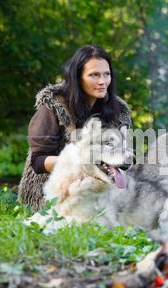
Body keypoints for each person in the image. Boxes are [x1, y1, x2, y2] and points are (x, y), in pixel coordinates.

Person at [18, 45, 132, 212]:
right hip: (53, 189)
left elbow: (122, 157)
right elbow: (38, 161)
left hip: (101, 187)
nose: (102, 81)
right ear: (78, 77)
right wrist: (82, 163)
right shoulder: (54, 104)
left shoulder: (119, 111)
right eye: (94, 75)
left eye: (106, 74)